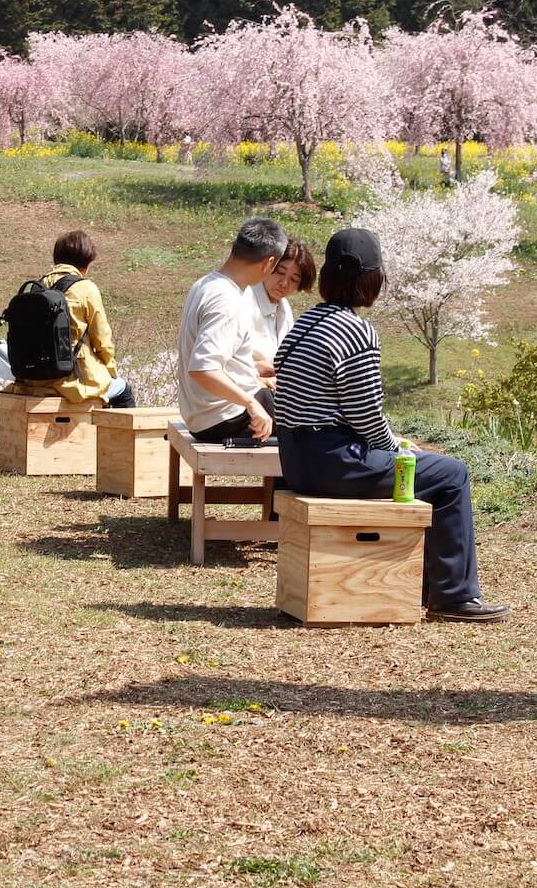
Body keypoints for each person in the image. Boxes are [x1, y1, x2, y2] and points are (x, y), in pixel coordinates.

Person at [272, 227, 509, 623]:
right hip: (335, 462)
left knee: (431, 470)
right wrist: (397, 447)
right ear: (373, 280)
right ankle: (453, 596)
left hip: (295, 460)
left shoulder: (306, 323)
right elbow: (365, 416)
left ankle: (425, 585)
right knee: (452, 474)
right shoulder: (356, 331)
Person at [177, 218, 286, 442]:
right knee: (316, 421)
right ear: (269, 263)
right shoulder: (227, 301)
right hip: (225, 418)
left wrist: (256, 368)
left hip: (205, 415)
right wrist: (251, 403)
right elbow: (203, 369)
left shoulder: (206, 284)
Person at [4, 229, 136, 409]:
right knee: (123, 390)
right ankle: (119, 438)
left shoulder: (37, 288)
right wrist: (111, 372)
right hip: (72, 382)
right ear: (87, 262)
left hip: (32, 381)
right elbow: (102, 341)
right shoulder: (86, 288)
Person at [247, 239, 317, 365]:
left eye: (294, 279)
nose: (284, 283)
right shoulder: (244, 300)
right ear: (268, 265)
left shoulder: (284, 309)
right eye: (280, 272)